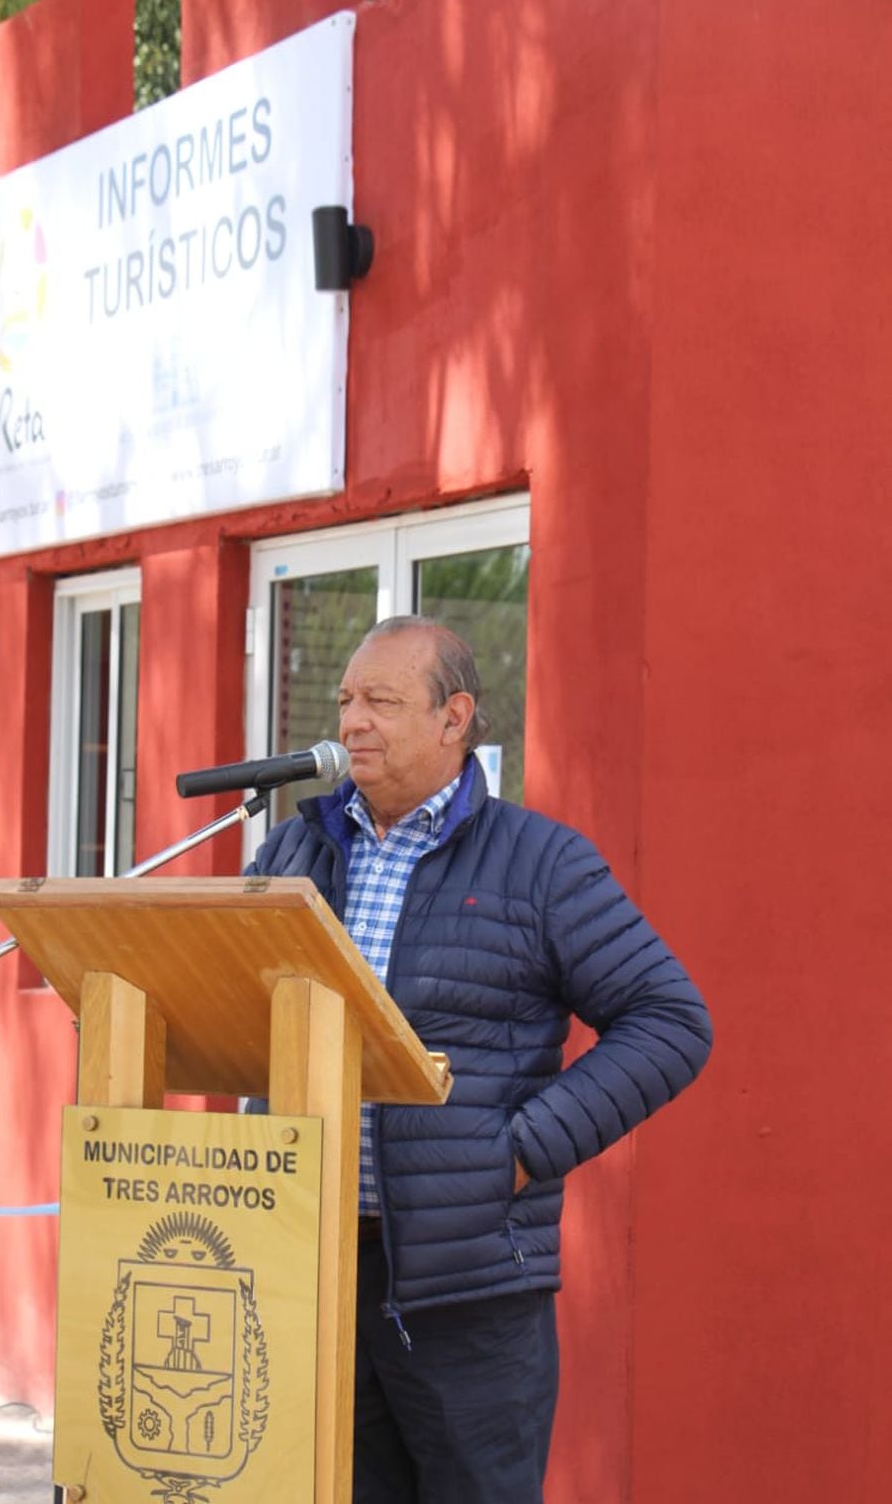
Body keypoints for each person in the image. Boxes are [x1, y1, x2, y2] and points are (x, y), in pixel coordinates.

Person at [248, 615, 712, 1504]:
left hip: (470, 1292)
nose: (350, 723)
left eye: (381, 701)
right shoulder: (294, 849)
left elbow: (669, 1020)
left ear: (453, 716)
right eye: (346, 699)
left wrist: (517, 1150)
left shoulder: (541, 863)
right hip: (315, 1270)